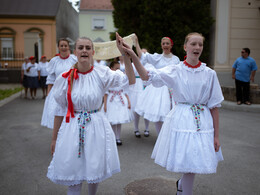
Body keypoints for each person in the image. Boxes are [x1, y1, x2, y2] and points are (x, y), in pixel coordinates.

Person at [116, 32, 224, 195]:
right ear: (185, 47)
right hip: (182, 120)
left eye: (200, 44)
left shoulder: (210, 73)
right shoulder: (176, 69)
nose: (197, 47)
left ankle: (182, 186)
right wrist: (131, 55)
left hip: (203, 122)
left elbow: (214, 106)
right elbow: (146, 75)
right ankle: (184, 189)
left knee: (193, 163)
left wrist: (216, 136)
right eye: (193, 44)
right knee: (188, 163)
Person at [46, 36, 135, 195]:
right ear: (75, 52)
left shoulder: (102, 73)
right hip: (72, 128)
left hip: (96, 127)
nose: (84, 51)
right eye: (81, 48)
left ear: (93, 52)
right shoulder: (65, 78)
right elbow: (60, 110)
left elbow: (130, 80)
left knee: (94, 168)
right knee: (73, 170)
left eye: (88, 48)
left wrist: (126, 56)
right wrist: (54, 138)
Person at [134, 34, 180, 136]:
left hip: (171, 89)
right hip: (158, 89)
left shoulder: (176, 59)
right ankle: (160, 136)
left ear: (171, 45)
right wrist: (136, 43)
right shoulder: (157, 57)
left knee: (171, 114)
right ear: (161, 45)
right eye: (163, 43)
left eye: (167, 43)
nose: (165, 45)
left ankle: (169, 136)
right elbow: (142, 55)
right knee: (158, 113)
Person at [41, 38, 77, 129]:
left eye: (65, 45)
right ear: (58, 47)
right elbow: (51, 79)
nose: (63, 47)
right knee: (58, 114)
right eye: (61, 45)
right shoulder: (54, 61)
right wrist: (48, 94)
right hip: (57, 90)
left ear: (69, 47)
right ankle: (57, 138)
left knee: (71, 115)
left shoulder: (74, 59)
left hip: (72, 89)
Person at [103, 61, 133, 145]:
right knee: (112, 120)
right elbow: (105, 93)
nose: (118, 70)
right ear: (111, 69)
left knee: (119, 120)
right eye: (116, 68)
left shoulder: (122, 77)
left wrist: (129, 102)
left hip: (121, 100)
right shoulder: (108, 78)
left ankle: (118, 137)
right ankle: (112, 138)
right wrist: (105, 105)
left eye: (119, 68)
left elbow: (125, 91)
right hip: (111, 101)